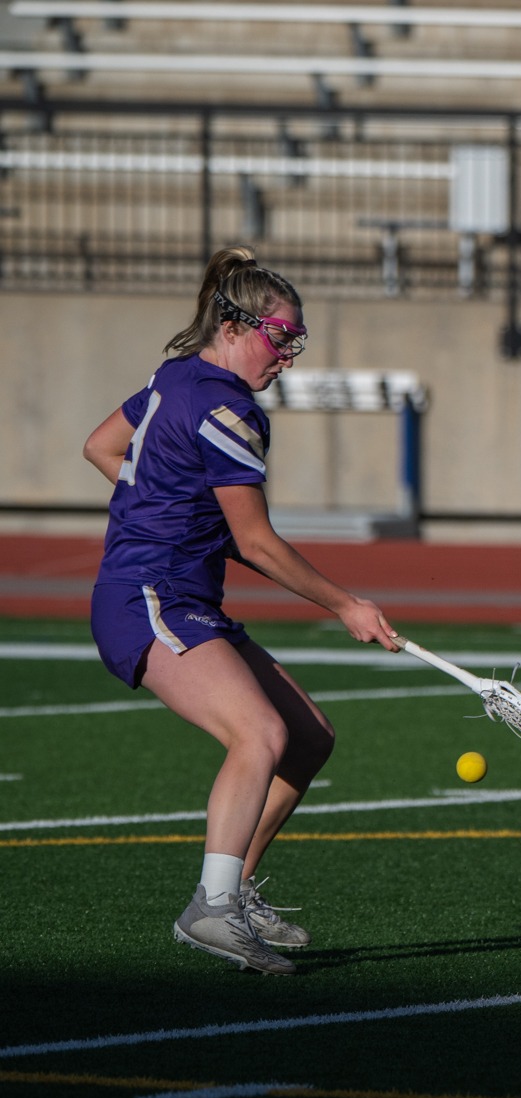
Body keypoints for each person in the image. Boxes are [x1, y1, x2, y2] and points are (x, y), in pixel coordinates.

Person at [84, 246, 400, 975]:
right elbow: (256, 541)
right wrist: (346, 605)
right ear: (233, 326)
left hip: (181, 596)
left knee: (307, 738)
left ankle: (235, 891)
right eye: (279, 337)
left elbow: (101, 447)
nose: (287, 356)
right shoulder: (230, 410)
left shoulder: (173, 376)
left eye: (296, 341)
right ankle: (212, 908)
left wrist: (166, 504)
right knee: (259, 733)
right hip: (149, 596)